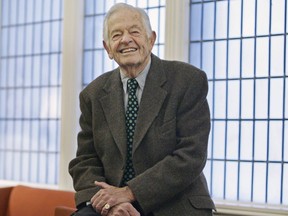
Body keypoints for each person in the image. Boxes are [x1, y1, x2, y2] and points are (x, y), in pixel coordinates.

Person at [69, 3, 215, 216]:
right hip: (115, 205)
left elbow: (191, 155)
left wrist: (130, 192)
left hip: (175, 202)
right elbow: (85, 160)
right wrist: (110, 203)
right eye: (116, 35)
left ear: (151, 39)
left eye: (134, 32)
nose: (126, 39)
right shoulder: (93, 94)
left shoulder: (187, 80)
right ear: (108, 48)